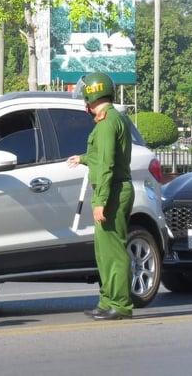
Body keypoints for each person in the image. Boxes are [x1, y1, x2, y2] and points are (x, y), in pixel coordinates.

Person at [66, 71, 134, 321]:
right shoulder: (114, 118)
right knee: (104, 251)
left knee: (113, 250)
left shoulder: (106, 122)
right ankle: (107, 300)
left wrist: (100, 202)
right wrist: (82, 158)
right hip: (114, 189)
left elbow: (106, 163)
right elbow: (100, 156)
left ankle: (120, 303)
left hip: (112, 191)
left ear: (92, 93)